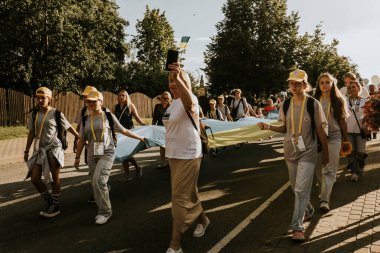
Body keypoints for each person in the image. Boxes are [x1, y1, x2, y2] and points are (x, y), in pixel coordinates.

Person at [258, 69, 329, 241]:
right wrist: (268, 127)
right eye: (292, 83)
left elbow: (320, 129)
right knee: (294, 187)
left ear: (305, 85)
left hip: (308, 152)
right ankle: (309, 210)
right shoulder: (285, 104)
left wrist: (326, 153)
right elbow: (284, 128)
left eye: (298, 83)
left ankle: (297, 226)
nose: (294, 86)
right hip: (290, 151)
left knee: (300, 189)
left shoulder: (313, 104)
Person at [74, 90, 145, 225]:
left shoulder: (108, 116)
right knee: (95, 182)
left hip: (107, 152)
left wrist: (139, 137)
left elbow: (123, 130)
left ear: (101, 102)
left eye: (94, 101)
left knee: (99, 180)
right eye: (89, 101)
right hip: (92, 154)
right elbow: (82, 139)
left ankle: (105, 211)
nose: (91, 104)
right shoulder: (85, 119)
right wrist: (77, 157)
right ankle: (102, 207)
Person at [163, 63, 210, 253]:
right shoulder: (172, 103)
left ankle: (175, 247)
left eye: (176, 80)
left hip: (188, 154)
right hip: (174, 154)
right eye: (170, 81)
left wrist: (179, 76)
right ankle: (204, 220)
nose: (173, 83)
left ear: (185, 81)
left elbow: (189, 103)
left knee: (179, 199)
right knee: (189, 193)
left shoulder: (190, 99)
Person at [24, 87, 79, 218]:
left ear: (50, 99)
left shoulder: (56, 113)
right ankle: (48, 200)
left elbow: (68, 126)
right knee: (35, 178)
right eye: (38, 98)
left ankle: (55, 205)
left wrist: (79, 137)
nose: (40, 100)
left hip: (54, 149)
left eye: (43, 98)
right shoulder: (34, 114)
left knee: (55, 179)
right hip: (39, 150)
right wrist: (26, 150)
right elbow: (31, 132)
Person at [314, 73, 349, 211]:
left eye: (327, 82)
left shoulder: (338, 100)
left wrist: (346, 140)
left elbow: (342, 121)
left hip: (334, 137)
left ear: (332, 83)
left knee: (329, 168)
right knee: (318, 169)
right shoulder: (314, 100)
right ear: (318, 85)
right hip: (316, 139)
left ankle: (325, 200)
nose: (324, 84)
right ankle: (324, 189)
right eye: (321, 82)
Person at [114, 90, 147, 181]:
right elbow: (113, 120)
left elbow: (138, 119)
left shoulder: (130, 106)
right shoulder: (116, 107)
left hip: (129, 132)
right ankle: (131, 172)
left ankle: (134, 170)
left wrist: (145, 125)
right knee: (123, 154)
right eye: (120, 95)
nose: (121, 97)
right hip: (120, 133)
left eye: (123, 95)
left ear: (126, 96)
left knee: (125, 154)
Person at [74, 85, 98, 203]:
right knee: (91, 169)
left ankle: (99, 190)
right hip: (88, 145)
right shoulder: (83, 110)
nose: (85, 99)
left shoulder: (101, 109)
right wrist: (76, 140)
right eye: (84, 97)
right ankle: (97, 190)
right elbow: (79, 126)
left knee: (98, 169)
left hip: (100, 145)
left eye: (86, 96)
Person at [346, 81, 369, 182]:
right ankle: (354, 173)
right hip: (348, 131)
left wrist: (367, 127)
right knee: (351, 153)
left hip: (361, 131)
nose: (351, 89)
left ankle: (361, 167)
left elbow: (368, 116)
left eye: (353, 87)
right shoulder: (345, 101)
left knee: (360, 152)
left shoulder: (365, 101)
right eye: (349, 88)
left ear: (359, 89)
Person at [152, 91, 172, 168]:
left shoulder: (171, 107)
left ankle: (170, 162)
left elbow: (168, 119)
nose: (166, 100)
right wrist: (152, 128)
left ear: (170, 99)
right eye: (164, 98)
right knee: (162, 146)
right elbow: (154, 118)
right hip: (160, 128)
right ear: (161, 98)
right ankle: (163, 162)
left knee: (169, 146)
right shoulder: (157, 106)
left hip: (169, 129)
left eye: (168, 98)